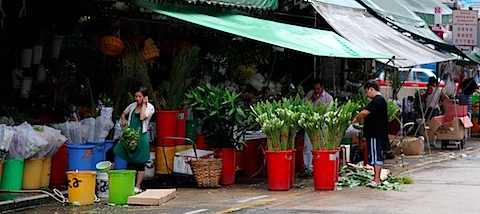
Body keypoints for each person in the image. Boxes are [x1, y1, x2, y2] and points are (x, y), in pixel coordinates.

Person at [106, 86, 155, 193]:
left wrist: (144, 104)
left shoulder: (150, 108)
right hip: (129, 136)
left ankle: (137, 186)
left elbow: (142, 117)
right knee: (111, 152)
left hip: (140, 137)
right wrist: (123, 120)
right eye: (136, 96)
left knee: (139, 163)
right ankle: (109, 180)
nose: (137, 99)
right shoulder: (132, 106)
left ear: (145, 97)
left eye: (140, 97)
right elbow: (124, 113)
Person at [352, 81, 388, 187]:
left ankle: (376, 179)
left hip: (375, 134)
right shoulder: (380, 100)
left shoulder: (377, 100)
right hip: (378, 133)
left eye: (367, 91)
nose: (367, 94)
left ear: (371, 89)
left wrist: (356, 117)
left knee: (376, 156)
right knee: (377, 155)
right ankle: (376, 178)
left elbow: (365, 112)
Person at [299, 78, 333, 177]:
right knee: (307, 146)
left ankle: (319, 166)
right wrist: (311, 100)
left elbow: (329, 112)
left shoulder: (328, 98)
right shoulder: (310, 94)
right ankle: (308, 168)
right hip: (310, 125)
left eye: (318, 89)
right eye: (315, 89)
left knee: (320, 147)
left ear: (322, 87)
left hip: (322, 126)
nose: (317, 91)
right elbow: (303, 106)